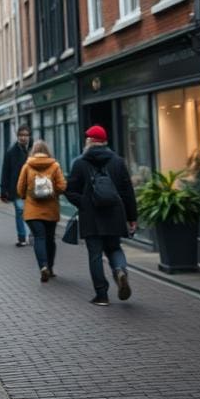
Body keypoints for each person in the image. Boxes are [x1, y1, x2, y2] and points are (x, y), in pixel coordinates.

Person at [65, 125, 138, 306]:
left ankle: (102, 295)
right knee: (115, 248)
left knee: (95, 255)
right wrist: (132, 217)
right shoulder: (118, 161)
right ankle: (120, 271)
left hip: (91, 217)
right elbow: (128, 192)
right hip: (115, 213)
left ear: (89, 141)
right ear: (105, 142)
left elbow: (69, 190)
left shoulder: (80, 162)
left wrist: (84, 204)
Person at [16, 140, 67, 282]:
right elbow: (62, 186)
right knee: (50, 239)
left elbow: (20, 188)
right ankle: (50, 268)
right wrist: (52, 192)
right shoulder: (55, 166)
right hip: (51, 210)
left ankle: (43, 266)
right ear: (47, 151)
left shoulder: (27, 166)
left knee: (39, 238)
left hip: (33, 211)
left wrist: (26, 196)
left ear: (33, 151)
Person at [0, 125, 32, 247]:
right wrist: (4, 191)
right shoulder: (11, 152)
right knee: (20, 212)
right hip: (17, 188)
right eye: (21, 135)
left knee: (31, 212)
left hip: (32, 188)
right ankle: (22, 237)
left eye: (26, 135)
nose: (24, 138)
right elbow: (5, 172)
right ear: (18, 136)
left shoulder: (32, 150)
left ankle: (31, 235)